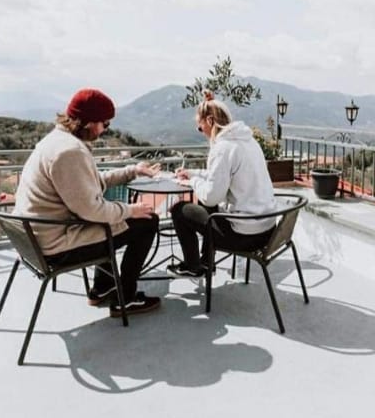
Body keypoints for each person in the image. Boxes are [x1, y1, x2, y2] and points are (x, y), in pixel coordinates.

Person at [14, 87, 162, 317]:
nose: (104, 130)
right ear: (90, 122)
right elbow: (92, 209)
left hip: (38, 240)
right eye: (105, 124)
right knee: (147, 221)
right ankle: (127, 297)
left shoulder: (56, 141)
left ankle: (102, 288)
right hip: (57, 247)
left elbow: (90, 184)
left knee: (113, 220)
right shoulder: (69, 152)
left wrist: (133, 170)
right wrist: (130, 210)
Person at [168, 91, 277, 277]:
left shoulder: (223, 148)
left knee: (179, 210)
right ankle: (206, 262)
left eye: (200, 128)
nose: (201, 132)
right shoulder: (249, 141)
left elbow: (211, 197)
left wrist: (192, 181)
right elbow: (219, 178)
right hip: (267, 230)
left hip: (245, 236)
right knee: (205, 200)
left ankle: (193, 266)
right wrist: (193, 173)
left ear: (210, 121)